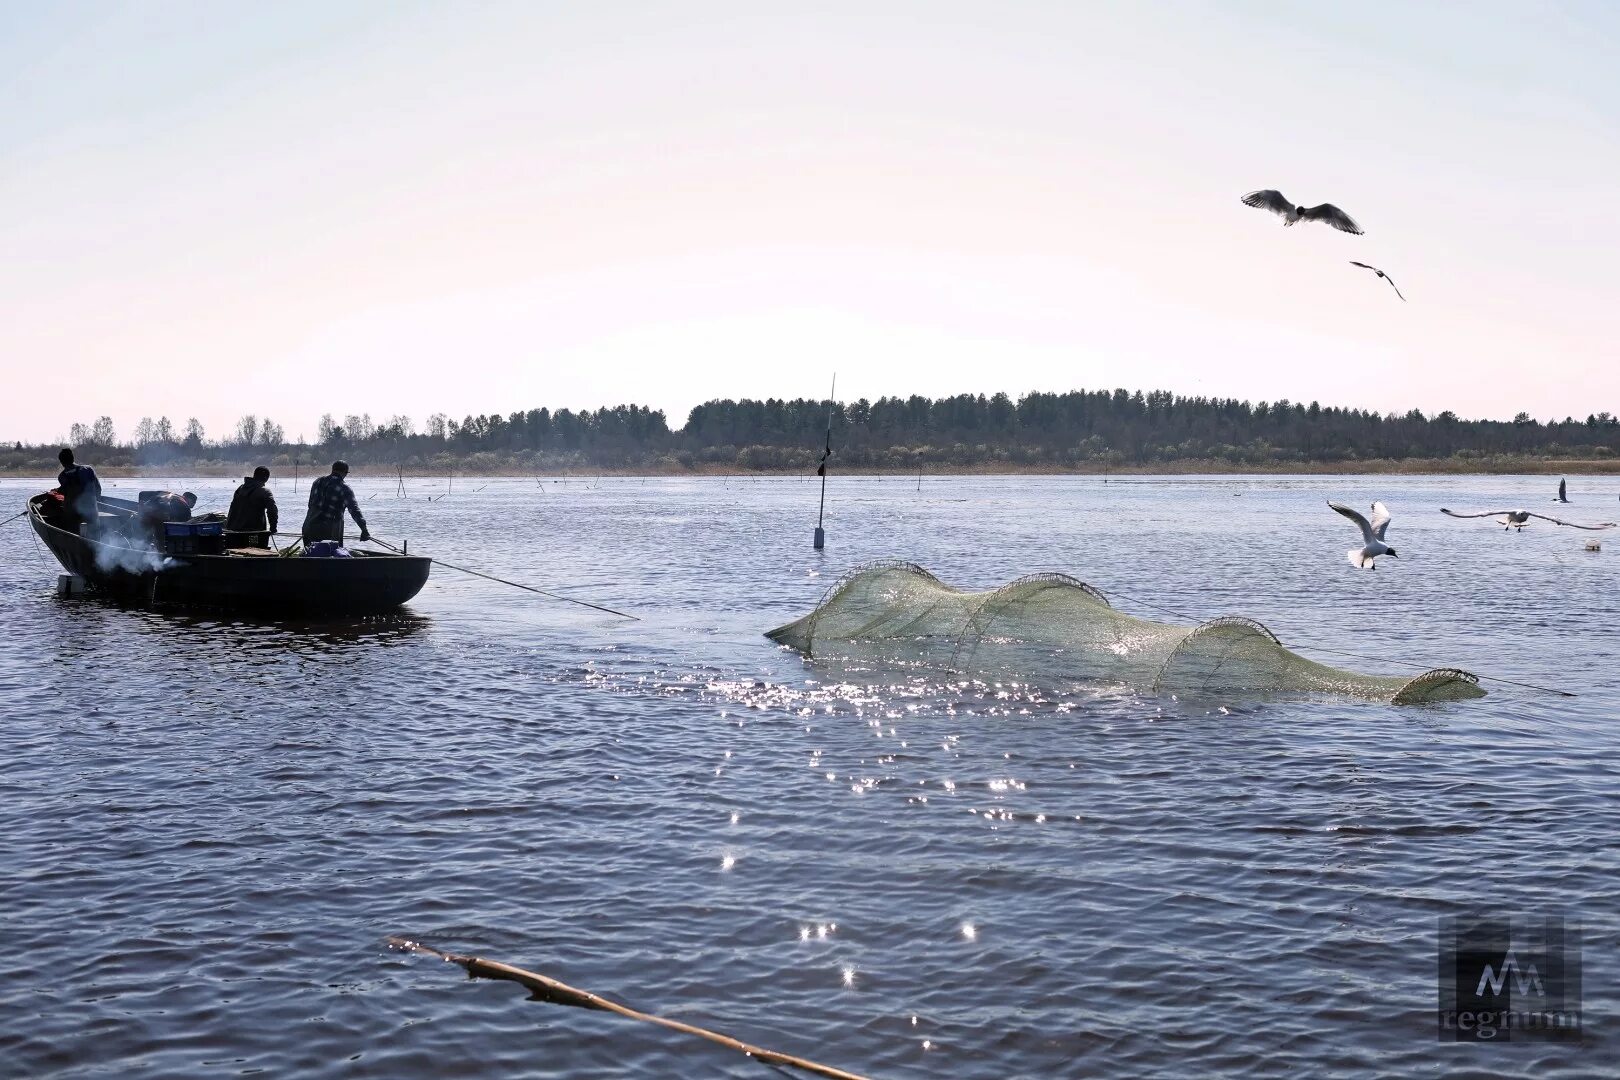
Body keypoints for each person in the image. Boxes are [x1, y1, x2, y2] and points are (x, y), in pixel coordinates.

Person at [302, 460, 369, 544]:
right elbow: (354, 510)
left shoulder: (317, 482)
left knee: (310, 554)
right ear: (345, 473)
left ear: (332, 470)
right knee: (331, 554)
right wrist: (364, 529)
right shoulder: (344, 487)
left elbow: (310, 504)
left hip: (308, 527)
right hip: (328, 531)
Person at [226, 467, 279, 548]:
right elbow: (272, 511)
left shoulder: (240, 489)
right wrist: (273, 528)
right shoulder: (265, 491)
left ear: (254, 475)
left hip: (233, 533)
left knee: (236, 551)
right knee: (255, 550)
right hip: (253, 534)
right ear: (266, 478)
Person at [55, 448, 102, 531]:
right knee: (94, 531)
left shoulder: (62, 476)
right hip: (91, 512)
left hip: (73, 515)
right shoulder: (88, 469)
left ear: (62, 462)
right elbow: (98, 489)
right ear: (73, 458)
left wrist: (58, 490)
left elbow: (68, 490)